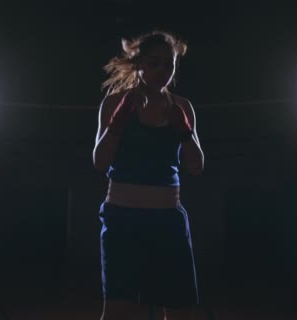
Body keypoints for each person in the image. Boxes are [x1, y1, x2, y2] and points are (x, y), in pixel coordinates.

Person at [92, 30, 204, 320]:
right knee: (118, 312)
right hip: (122, 220)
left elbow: (195, 166)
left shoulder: (182, 106)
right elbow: (100, 162)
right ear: (138, 64)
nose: (161, 71)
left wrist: (186, 132)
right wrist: (117, 124)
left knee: (181, 313)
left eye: (168, 64)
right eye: (154, 63)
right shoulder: (113, 104)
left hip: (167, 220)